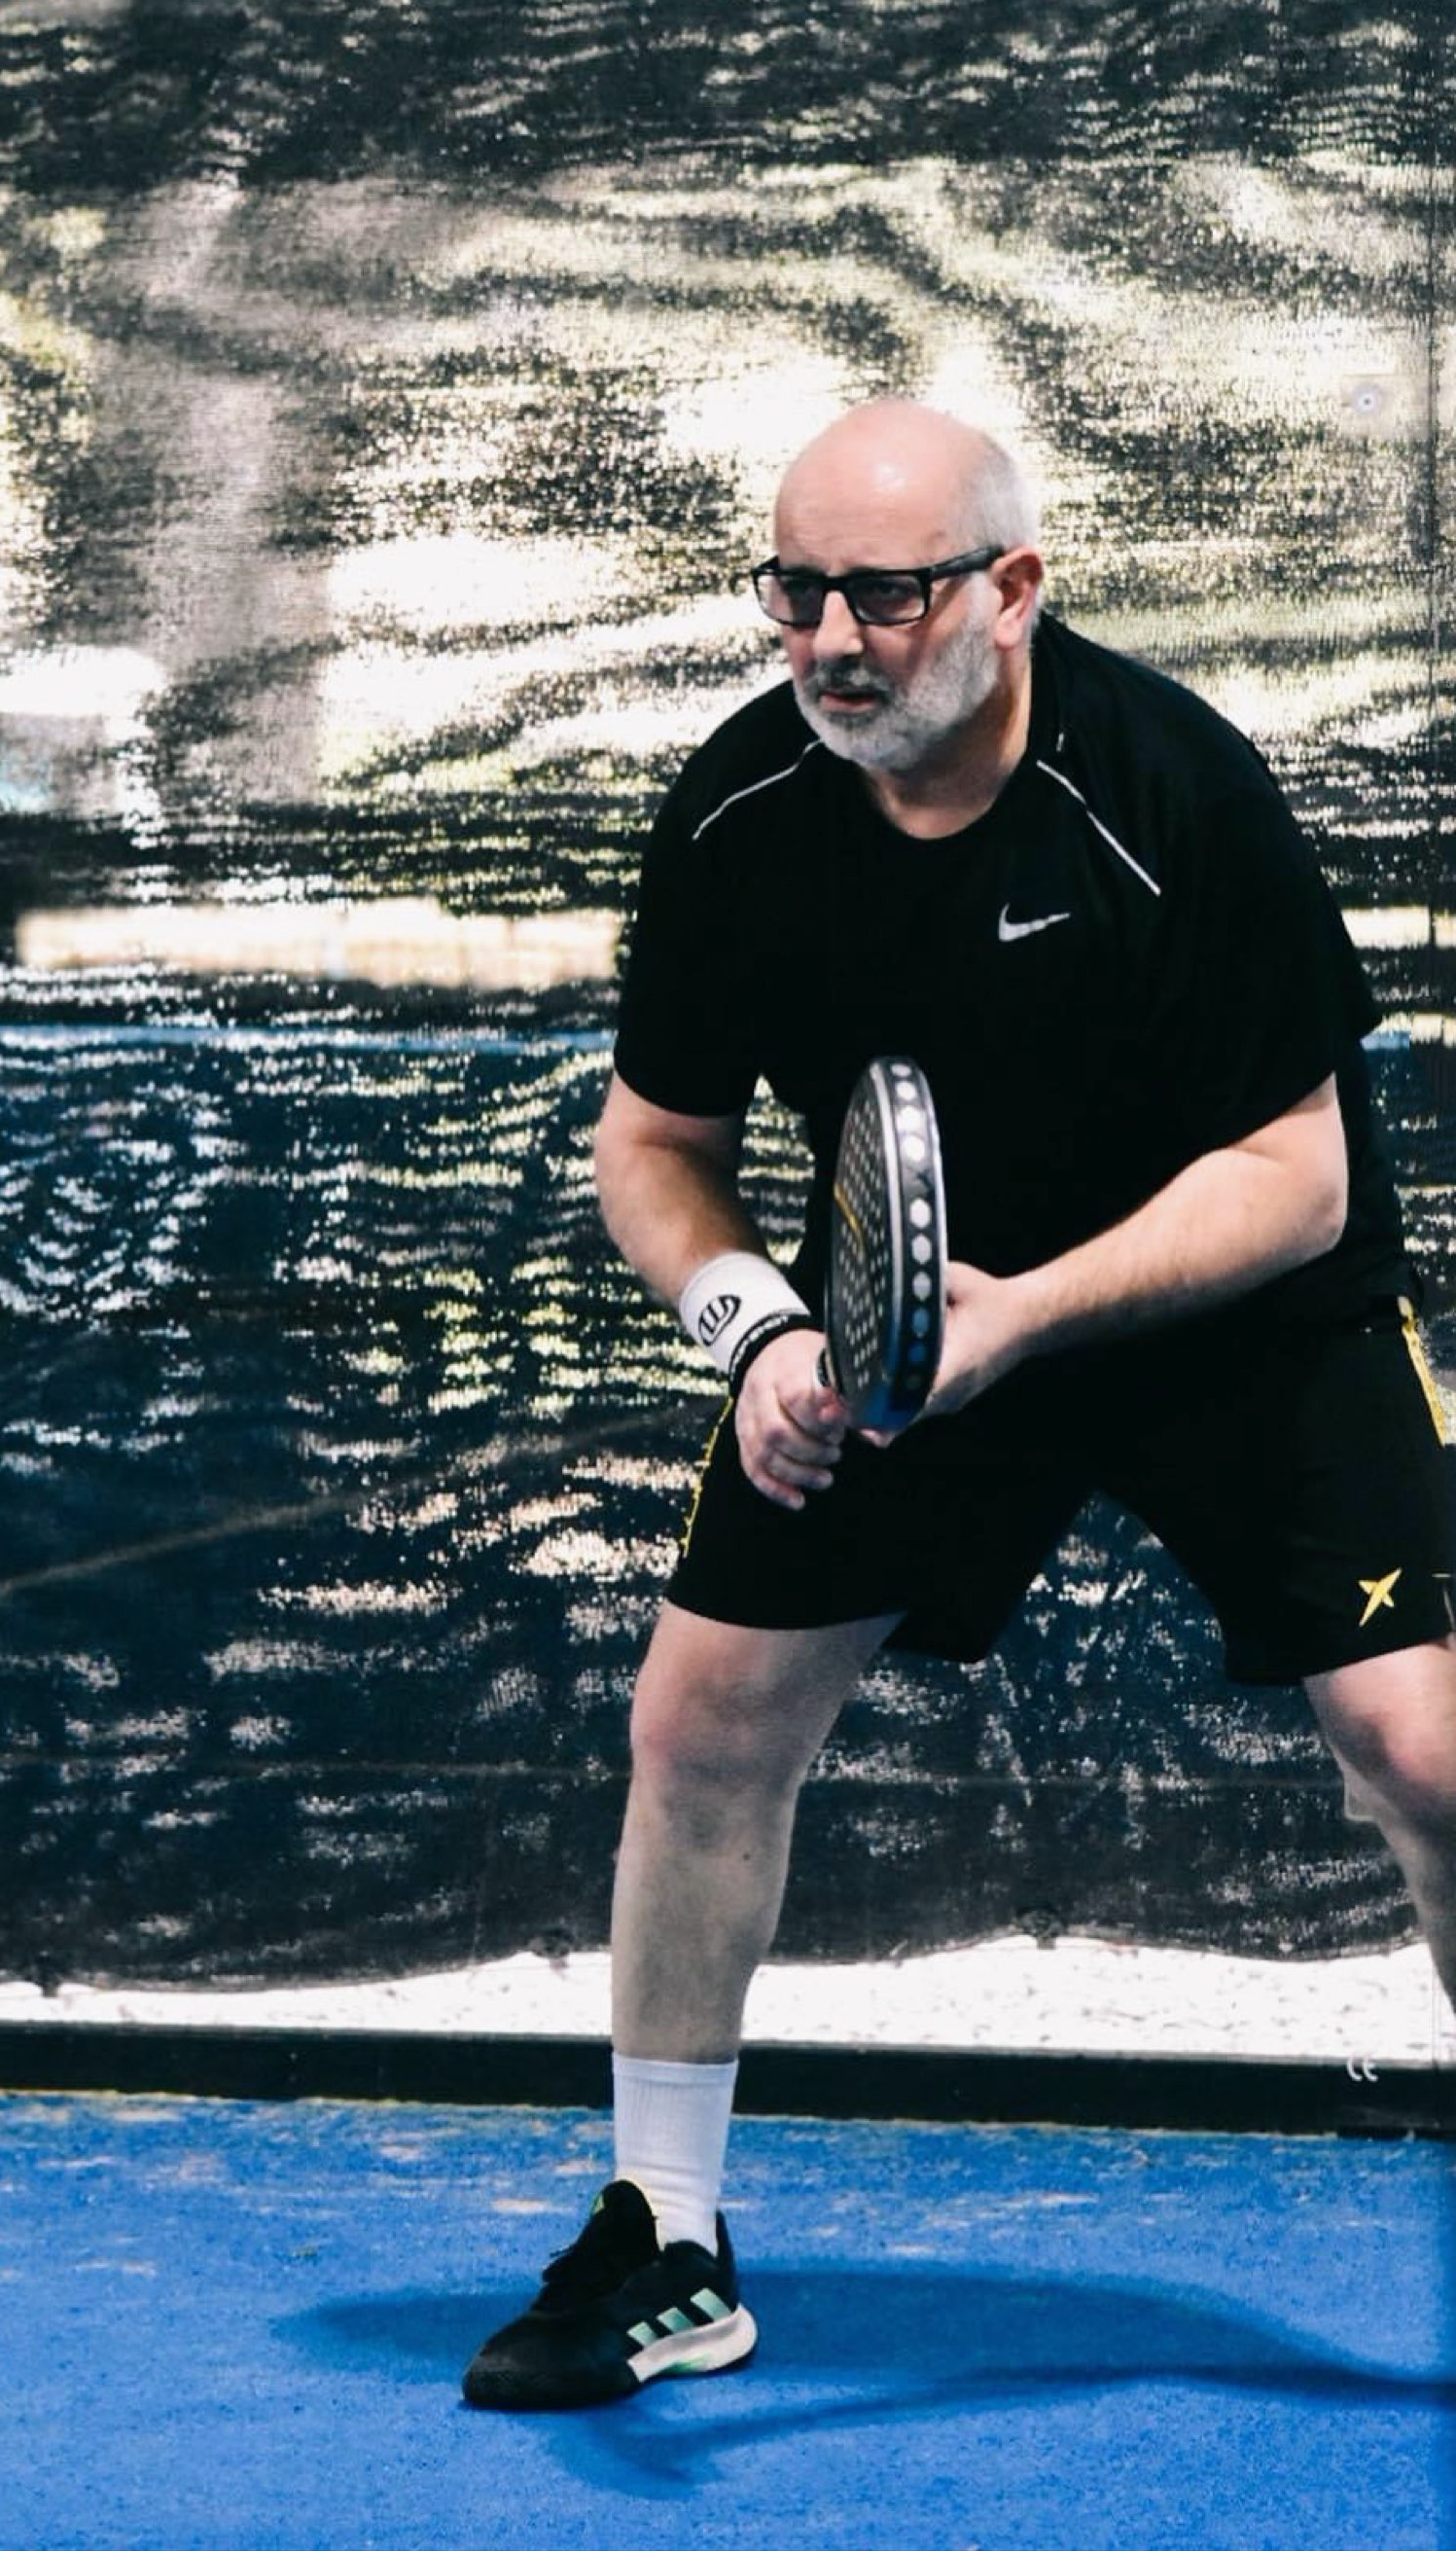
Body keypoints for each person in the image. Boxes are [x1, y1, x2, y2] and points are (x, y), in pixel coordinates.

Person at [460, 397, 1456, 2414]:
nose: (833, 639)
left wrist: (1025, 1318)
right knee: (705, 1719)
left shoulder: (1169, 786)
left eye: (887, 594)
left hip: (1243, 1310)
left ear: (1011, 590)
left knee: (1425, 1752)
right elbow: (654, 1144)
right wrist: (760, 1332)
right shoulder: (744, 812)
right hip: (907, 1317)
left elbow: (1299, 1177)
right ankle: (666, 2231)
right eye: (797, 591)